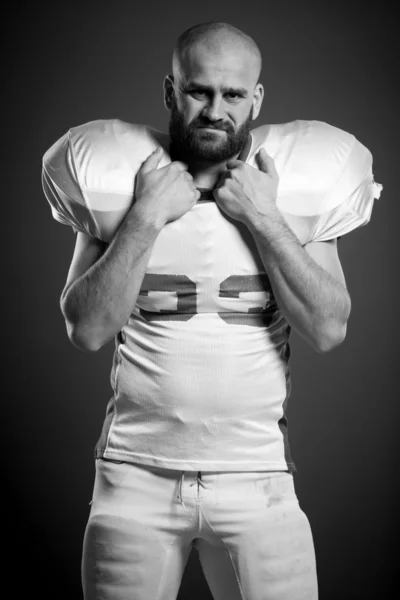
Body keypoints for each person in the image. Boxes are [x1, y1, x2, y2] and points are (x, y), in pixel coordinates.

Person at [42, 21, 382, 600]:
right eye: (199, 92)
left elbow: (328, 327)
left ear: (257, 99)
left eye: (233, 95)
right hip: (133, 478)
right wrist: (146, 216)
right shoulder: (124, 184)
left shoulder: (290, 192)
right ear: (171, 92)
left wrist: (264, 218)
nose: (215, 110)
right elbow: (87, 328)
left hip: (259, 480)